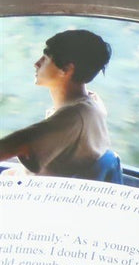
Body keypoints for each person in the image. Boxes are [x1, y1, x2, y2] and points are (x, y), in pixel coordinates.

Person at [0, 29, 113, 180]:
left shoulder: (74, 116)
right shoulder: (93, 103)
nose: (36, 64)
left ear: (67, 69)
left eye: (45, 59)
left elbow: (13, 145)